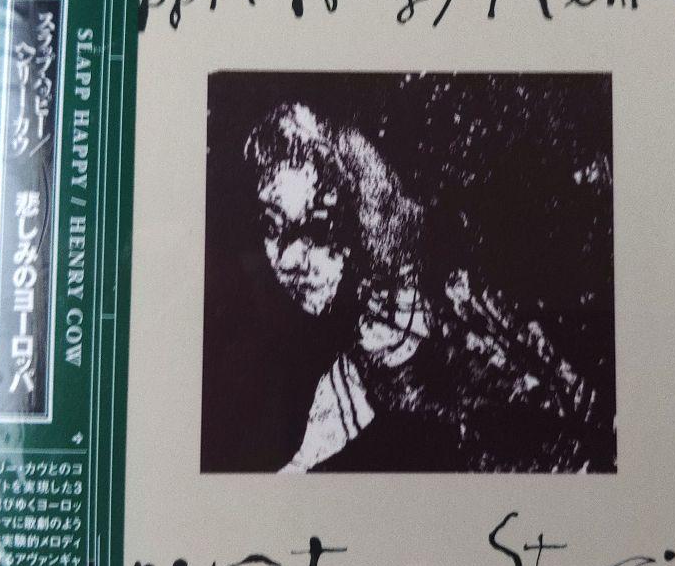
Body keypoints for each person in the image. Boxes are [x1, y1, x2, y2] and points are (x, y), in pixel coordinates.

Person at [243, 101, 602, 473]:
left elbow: (561, 382)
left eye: (318, 227)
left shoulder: (450, 289)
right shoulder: (363, 350)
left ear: (363, 208)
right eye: (271, 226)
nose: (289, 259)